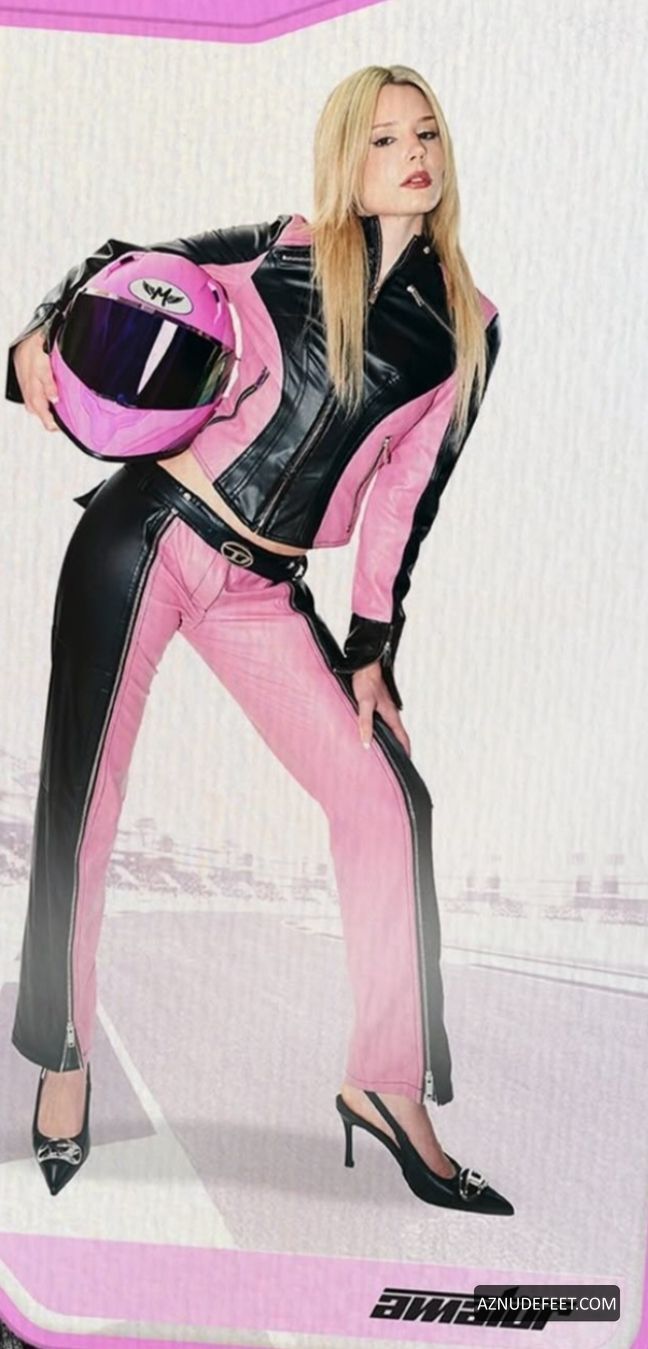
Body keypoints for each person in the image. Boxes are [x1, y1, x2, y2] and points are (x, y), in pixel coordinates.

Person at [6, 64, 512, 1214]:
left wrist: (372, 648)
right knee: (87, 800)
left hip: (260, 590)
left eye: (426, 134)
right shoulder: (285, 246)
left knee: (386, 800)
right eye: (385, 138)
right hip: (147, 534)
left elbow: (406, 495)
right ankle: (64, 1058)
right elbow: (132, 268)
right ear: (347, 156)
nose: (413, 154)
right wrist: (38, 333)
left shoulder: (466, 327)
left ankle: (386, 1086)